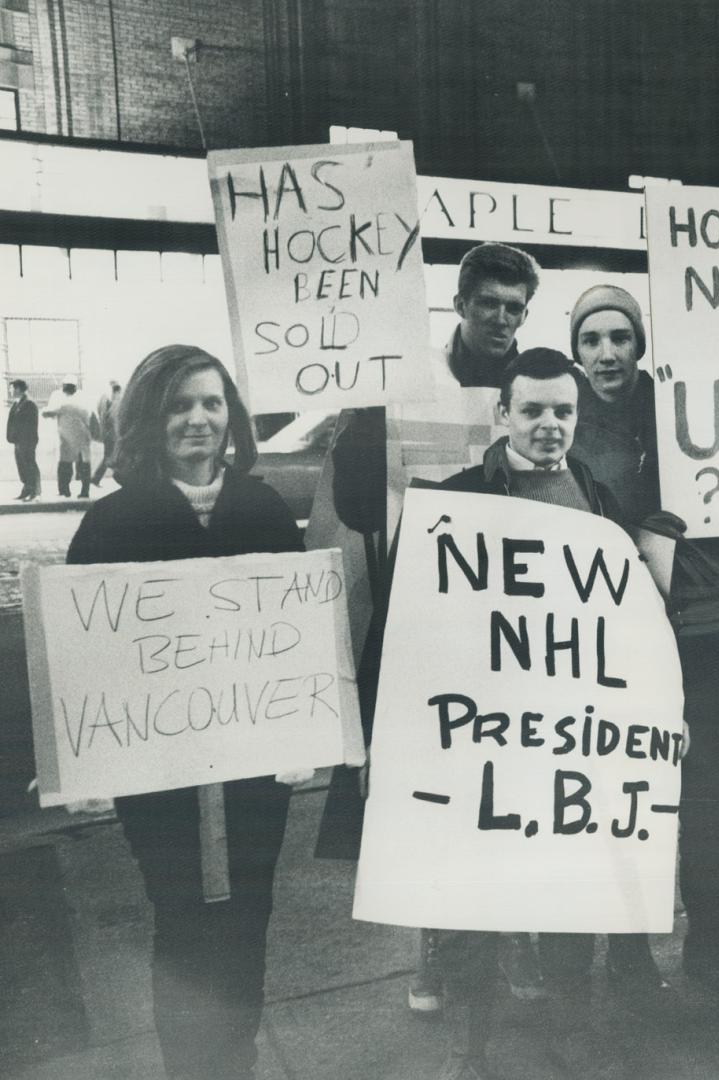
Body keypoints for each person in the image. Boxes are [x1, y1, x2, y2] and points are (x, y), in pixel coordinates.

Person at [379, 348, 622, 1079]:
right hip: (474, 735)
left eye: (564, 411)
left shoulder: (599, 499)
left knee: (572, 885)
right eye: (534, 409)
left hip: (566, 735)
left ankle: (571, 1025)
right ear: (503, 413)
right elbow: (409, 621)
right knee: (468, 896)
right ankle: (468, 1045)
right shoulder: (450, 498)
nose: (550, 424)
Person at [65, 345, 305, 1080]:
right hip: (160, 776)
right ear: (148, 417)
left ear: (231, 414)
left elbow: (295, 636)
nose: (198, 418)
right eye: (179, 404)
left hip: (253, 768)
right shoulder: (112, 523)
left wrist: (302, 729)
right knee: (183, 922)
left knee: (248, 918)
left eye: (210, 402)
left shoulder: (262, 507)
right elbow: (85, 658)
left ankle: (237, 1058)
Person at [324, 242, 548, 1013]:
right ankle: (434, 949)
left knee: (515, 780)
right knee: (428, 789)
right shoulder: (405, 381)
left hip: (519, 621)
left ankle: (514, 932)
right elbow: (360, 509)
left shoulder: (543, 385)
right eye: (488, 302)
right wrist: (361, 424)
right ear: (459, 304)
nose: (501, 317)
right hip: (425, 612)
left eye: (515, 307)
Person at [555, 283, 719, 1002]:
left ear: (641, 344)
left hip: (694, 629)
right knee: (623, 795)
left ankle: (712, 941)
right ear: (576, 350)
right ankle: (629, 953)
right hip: (611, 640)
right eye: (591, 340)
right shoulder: (567, 421)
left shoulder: (687, 400)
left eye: (620, 337)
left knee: (705, 792)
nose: (607, 352)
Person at [43, 381, 92, 498]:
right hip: (83, 439)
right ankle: (85, 492)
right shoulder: (83, 400)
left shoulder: (63, 403)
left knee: (64, 467)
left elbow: (46, 413)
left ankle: (64, 491)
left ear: (64, 389)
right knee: (84, 467)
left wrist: (46, 410)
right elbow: (89, 418)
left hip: (66, 440)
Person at [7, 379, 39, 500]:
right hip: (18, 441)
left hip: (27, 441)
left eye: (12, 388)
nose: (10, 390)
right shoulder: (18, 403)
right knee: (22, 466)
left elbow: (30, 425)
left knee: (29, 465)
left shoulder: (29, 403)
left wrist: (26, 441)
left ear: (18, 389)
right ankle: (26, 490)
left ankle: (34, 492)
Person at [90, 380, 122, 486]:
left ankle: (96, 478)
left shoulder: (106, 399)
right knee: (111, 457)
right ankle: (96, 478)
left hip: (108, 433)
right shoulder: (114, 401)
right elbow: (113, 419)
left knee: (109, 456)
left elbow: (103, 416)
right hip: (113, 434)